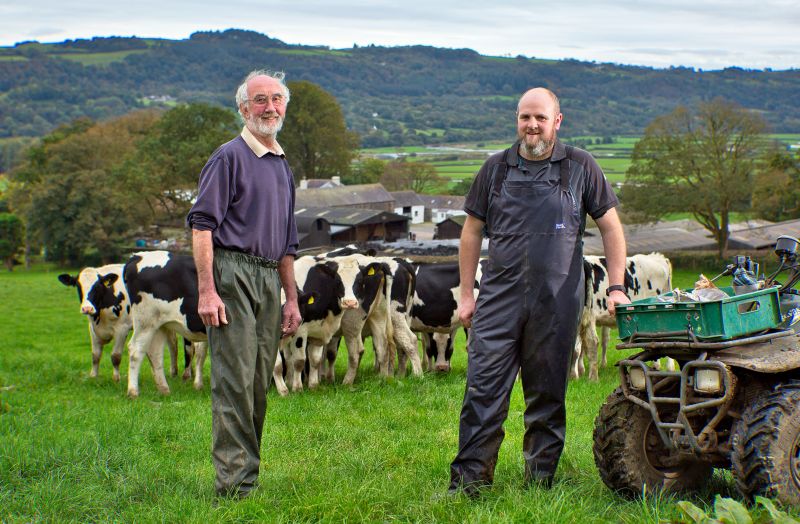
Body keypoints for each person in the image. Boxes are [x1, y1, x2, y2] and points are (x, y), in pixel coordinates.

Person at [449, 87, 630, 496]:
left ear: (557, 121)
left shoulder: (581, 166)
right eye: (525, 117)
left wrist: (617, 286)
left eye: (540, 118)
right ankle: (469, 483)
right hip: (498, 300)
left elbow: (612, 227)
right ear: (517, 120)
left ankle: (540, 481)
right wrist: (466, 295)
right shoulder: (495, 169)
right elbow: (471, 233)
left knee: (547, 394)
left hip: (557, 302)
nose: (532, 125)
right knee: (483, 390)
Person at [186, 69, 302, 499]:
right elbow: (202, 226)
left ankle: (246, 476)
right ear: (243, 108)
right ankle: (234, 487)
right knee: (234, 381)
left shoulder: (281, 164)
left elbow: (288, 239)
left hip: (269, 275)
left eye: (276, 99)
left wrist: (291, 298)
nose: (269, 107)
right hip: (231, 273)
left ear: (285, 105)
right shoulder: (228, 157)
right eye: (259, 100)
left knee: (257, 382)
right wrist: (207, 289)